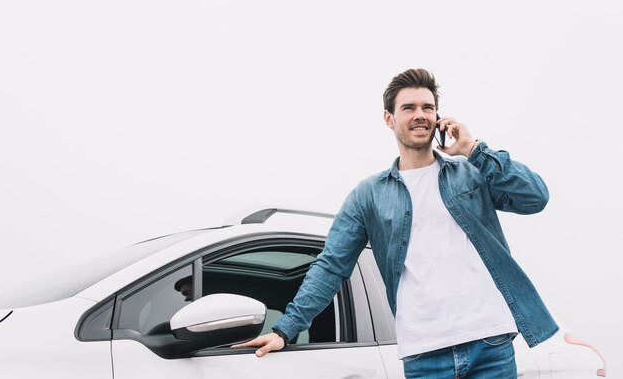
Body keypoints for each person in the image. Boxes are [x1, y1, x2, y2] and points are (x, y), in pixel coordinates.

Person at [233, 68, 558, 378]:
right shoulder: (369, 196)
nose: (420, 114)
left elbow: (535, 197)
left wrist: (472, 149)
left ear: (438, 117)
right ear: (389, 118)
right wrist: (285, 329)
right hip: (425, 353)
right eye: (409, 107)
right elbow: (332, 265)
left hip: (490, 340)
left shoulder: (470, 172)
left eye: (428, 107)